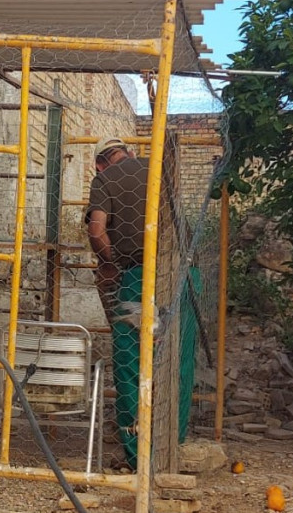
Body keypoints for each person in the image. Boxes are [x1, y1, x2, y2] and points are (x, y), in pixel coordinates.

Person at [87, 136, 200, 471]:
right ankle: (172, 445)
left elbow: (96, 231)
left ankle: (140, 454)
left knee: (129, 359)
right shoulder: (157, 167)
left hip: (139, 276)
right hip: (186, 275)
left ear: (100, 163)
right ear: (130, 153)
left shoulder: (104, 179)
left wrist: (110, 263)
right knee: (178, 359)